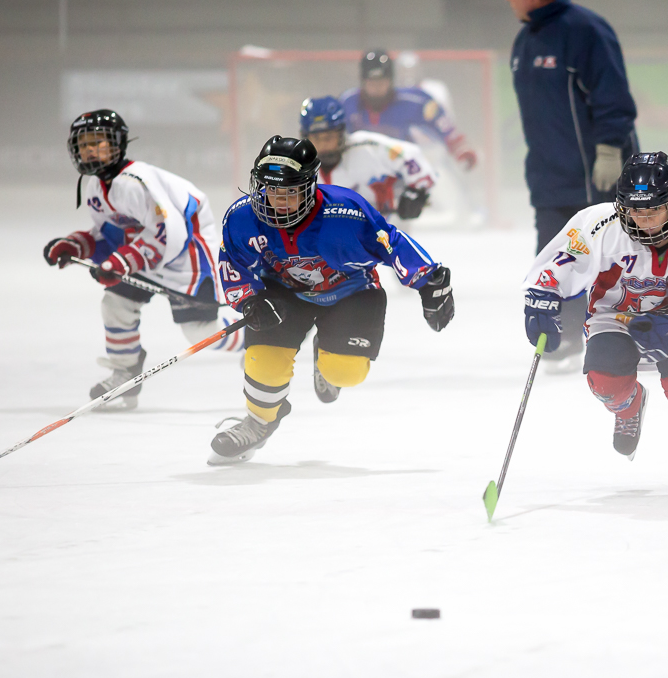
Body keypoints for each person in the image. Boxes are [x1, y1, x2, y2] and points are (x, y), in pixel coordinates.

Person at [521, 152, 668, 490]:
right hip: (613, 317)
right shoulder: (599, 224)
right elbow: (562, 259)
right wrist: (543, 295)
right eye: (634, 212)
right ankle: (629, 408)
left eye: (653, 211)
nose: (643, 222)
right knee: (604, 381)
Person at [209, 136, 455, 465]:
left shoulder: (346, 213)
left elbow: (391, 242)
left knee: (345, 372)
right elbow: (233, 264)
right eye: (271, 190)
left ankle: (326, 357)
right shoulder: (241, 219)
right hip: (284, 295)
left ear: (310, 187)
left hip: (351, 292)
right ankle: (258, 423)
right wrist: (251, 301)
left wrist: (428, 281)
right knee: (262, 363)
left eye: (290, 192)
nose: (278, 202)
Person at [42, 109, 242, 411]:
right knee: (116, 304)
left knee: (202, 331)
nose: (90, 150)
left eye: (98, 142)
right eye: (84, 144)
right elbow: (110, 234)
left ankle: (261, 339)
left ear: (118, 144)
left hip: (186, 254)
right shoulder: (97, 187)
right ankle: (126, 371)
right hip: (145, 257)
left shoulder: (135, 182)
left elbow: (170, 233)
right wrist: (76, 245)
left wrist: (123, 262)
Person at [506, 0, 638, 370]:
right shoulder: (525, 41)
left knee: (611, 255)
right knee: (552, 255)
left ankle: (623, 331)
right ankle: (560, 335)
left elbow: (613, 95)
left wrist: (610, 151)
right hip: (549, 178)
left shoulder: (585, 31)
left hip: (596, 175)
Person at [299, 96, 437, 224]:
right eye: (316, 138)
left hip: (387, 237)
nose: (323, 145)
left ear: (341, 133)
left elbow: (410, 155)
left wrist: (417, 191)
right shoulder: (298, 168)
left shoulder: (368, 148)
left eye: (329, 136)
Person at [339, 49, 478, 173]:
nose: (377, 88)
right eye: (372, 83)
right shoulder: (347, 103)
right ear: (363, 82)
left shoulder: (412, 100)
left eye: (381, 83)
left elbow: (441, 122)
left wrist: (460, 148)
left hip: (402, 171)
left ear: (391, 81)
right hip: (361, 172)